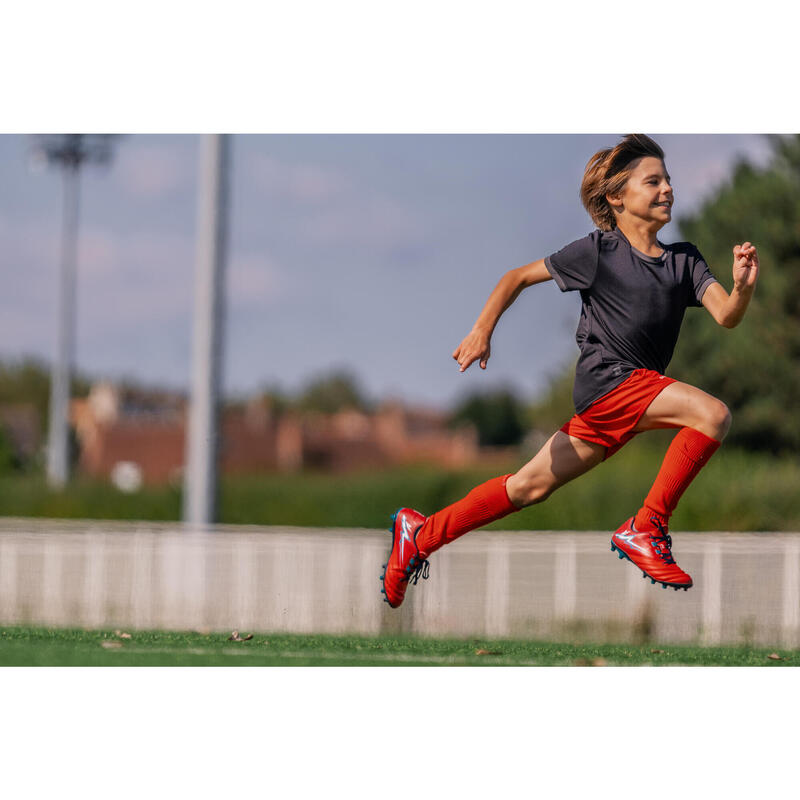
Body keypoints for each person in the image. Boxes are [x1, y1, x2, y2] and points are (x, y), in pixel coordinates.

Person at [380, 134, 760, 609]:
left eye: (668, 180)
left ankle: (420, 534)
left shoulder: (684, 260)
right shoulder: (598, 252)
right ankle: (647, 526)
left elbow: (726, 315)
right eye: (653, 181)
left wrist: (741, 287)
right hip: (609, 384)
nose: (667, 189)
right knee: (713, 415)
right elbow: (515, 277)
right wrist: (482, 330)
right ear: (616, 198)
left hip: (629, 397)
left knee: (526, 486)